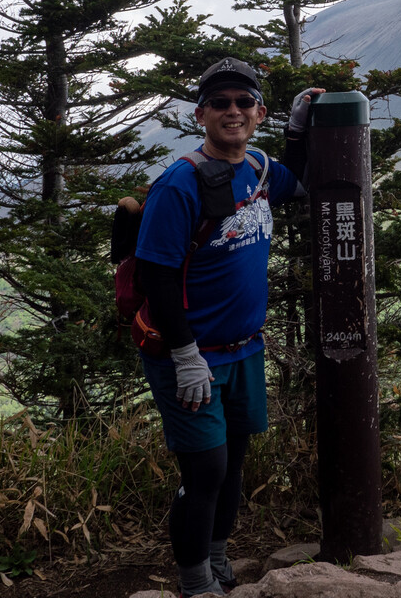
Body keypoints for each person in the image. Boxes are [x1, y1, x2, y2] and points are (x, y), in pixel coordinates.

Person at [134, 58, 319, 597]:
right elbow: (157, 278)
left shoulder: (259, 168)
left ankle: (216, 558)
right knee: (206, 471)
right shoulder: (180, 184)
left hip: (244, 349)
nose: (232, 112)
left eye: (243, 102)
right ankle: (195, 583)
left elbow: (301, 182)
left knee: (232, 464)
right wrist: (185, 355)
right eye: (220, 103)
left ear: (258, 112)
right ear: (201, 115)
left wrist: (298, 129)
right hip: (191, 353)